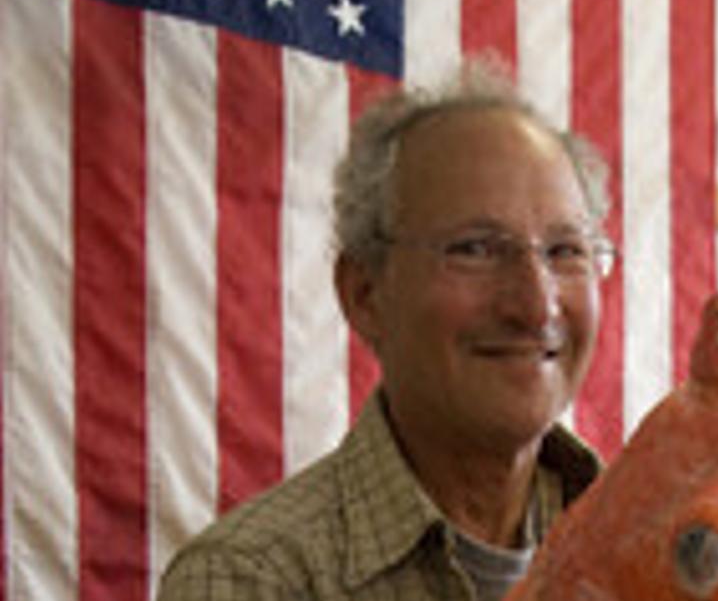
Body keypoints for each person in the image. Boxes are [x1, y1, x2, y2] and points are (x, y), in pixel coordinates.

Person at [157, 60, 612, 601]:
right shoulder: (251, 578)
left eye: (565, 251)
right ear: (365, 294)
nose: (536, 307)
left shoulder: (666, 533)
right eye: (475, 249)